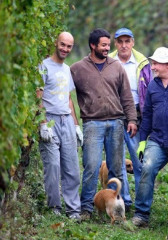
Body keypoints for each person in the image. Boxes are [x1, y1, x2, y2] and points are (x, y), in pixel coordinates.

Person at [70, 28, 137, 220]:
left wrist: (131, 119)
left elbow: (126, 96)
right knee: (91, 167)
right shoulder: (78, 68)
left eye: (108, 45)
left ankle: (116, 207)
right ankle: (87, 209)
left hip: (116, 123)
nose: (108, 48)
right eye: (104, 45)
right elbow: (65, 92)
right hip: (93, 124)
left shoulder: (116, 66)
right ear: (93, 45)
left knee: (116, 168)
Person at [131, 47, 168, 227]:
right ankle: (141, 215)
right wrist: (143, 141)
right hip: (157, 140)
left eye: (156, 63)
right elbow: (147, 113)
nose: (153, 66)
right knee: (147, 168)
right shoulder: (152, 85)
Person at [37, 32, 82, 220]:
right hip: (51, 120)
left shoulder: (67, 69)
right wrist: (42, 123)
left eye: (69, 46)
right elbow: (38, 95)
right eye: (62, 44)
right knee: (53, 165)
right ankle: (54, 207)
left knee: (72, 166)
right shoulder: (44, 66)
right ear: (56, 43)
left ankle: (73, 210)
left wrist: (76, 125)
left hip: (67, 121)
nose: (65, 49)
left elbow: (69, 99)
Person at [109, 28, 152, 211]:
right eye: (120, 42)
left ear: (133, 42)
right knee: (116, 161)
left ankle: (142, 203)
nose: (124, 45)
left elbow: (150, 90)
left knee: (139, 161)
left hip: (137, 116)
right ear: (115, 44)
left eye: (127, 41)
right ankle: (124, 200)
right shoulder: (108, 61)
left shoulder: (142, 62)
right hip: (114, 115)